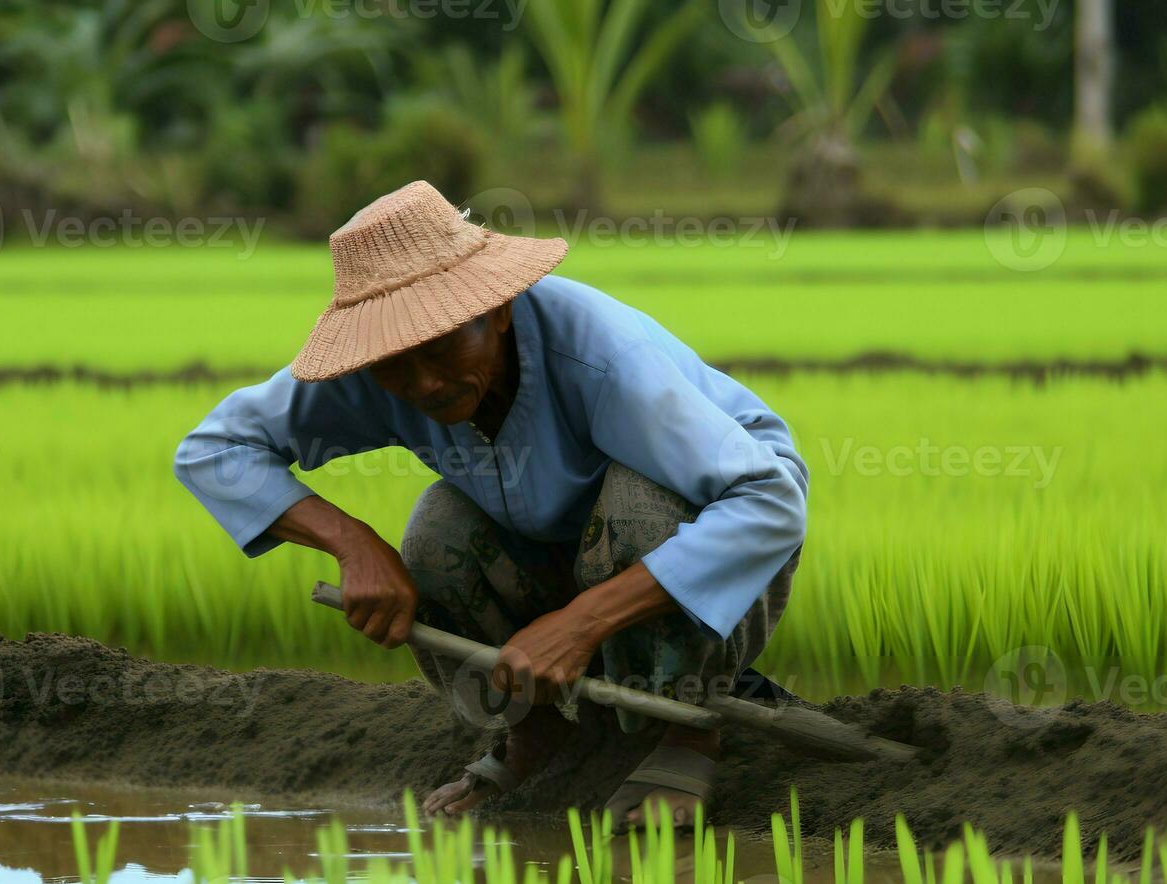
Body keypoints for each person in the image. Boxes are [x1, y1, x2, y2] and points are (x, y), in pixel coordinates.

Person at [174, 181, 807, 828]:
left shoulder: (603, 358)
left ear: (498, 309)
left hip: (708, 546)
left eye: (443, 348)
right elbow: (214, 450)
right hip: (562, 548)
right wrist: (352, 542)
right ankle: (536, 732)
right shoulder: (378, 376)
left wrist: (582, 622)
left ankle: (687, 729)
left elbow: (770, 501)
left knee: (638, 503)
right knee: (437, 533)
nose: (423, 384)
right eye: (395, 365)